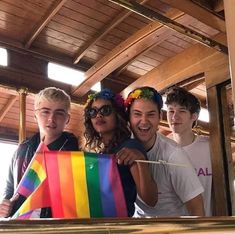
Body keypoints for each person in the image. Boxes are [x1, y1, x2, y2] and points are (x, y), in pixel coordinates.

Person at [125, 86, 205, 217]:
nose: (144, 121)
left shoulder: (174, 155)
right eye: (137, 114)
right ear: (128, 117)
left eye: (151, 114)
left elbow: (197, 208)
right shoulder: (123, 145)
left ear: (159, 117)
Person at [0, 87, 79, 218]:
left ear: (68, 119)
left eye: (59, 113)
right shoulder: (21, 151)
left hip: (57, 225)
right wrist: (5, 204)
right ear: (35, 115)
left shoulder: (74, 155)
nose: (51, 119)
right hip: (22, 224)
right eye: (45, 112)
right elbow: (10, 188)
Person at [84, 88, 158, 217]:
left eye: (105, 110)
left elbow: (150, 200)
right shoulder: (103, 151)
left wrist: (140, 160)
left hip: (119, 226)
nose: (98, 115)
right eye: (93, 111)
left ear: (117, 114)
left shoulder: (130, 147)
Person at [165, 86, 212, 216]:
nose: (174, 117)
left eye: (182, 111)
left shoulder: (210, 147)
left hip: (206, 226)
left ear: (194, 116)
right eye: (171, 111)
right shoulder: (161, 148)